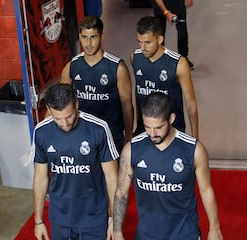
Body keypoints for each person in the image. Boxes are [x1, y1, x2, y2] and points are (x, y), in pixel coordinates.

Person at [113, 92, 223, 240]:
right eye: (147, 127)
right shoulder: (132, 150)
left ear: (171, 118)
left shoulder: (194, 150)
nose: (152, 134)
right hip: (146, 235)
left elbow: (206, 191)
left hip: (185, 234)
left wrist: (214, 228)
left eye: (158, 127)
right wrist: (117, 230)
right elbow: (121, 193)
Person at [31, 83, 119, 240]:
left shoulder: (98, 128)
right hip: (60, 216)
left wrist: (114, 220)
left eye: (69, 116)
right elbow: (40, 177)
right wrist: (38, 221)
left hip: (94, 216)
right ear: (49, 110)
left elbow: (112, 177)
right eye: (58, 118)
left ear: (77, 104)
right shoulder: (41, 132)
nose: (65, 124)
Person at [61, 16, 134, 152]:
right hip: (82, 136)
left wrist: (128, 135)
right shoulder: (71, 67)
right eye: (84, 37)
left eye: (93, 37)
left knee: (112, 173)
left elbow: (126, 104)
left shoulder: (118, 68)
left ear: (102, 36)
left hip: (111, 136)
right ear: (80, 37)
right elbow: (61, 102)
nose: (88, 43)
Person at [132, 16, 198, 138]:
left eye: (147, 42)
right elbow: (138, 91)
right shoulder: (135, 58)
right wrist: (137, 124)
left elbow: (190, 104)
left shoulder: (179, 63)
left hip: (173, 132)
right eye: (139, 42)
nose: (143, 48)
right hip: (145, 131)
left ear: (160, 39)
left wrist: (195, 138)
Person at [152, 0, 195, 70]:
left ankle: (184, 57)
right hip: (160, 3)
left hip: (177, 2)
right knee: (160, 32)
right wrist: (166, 13)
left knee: (182, 30)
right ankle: (159, 58)